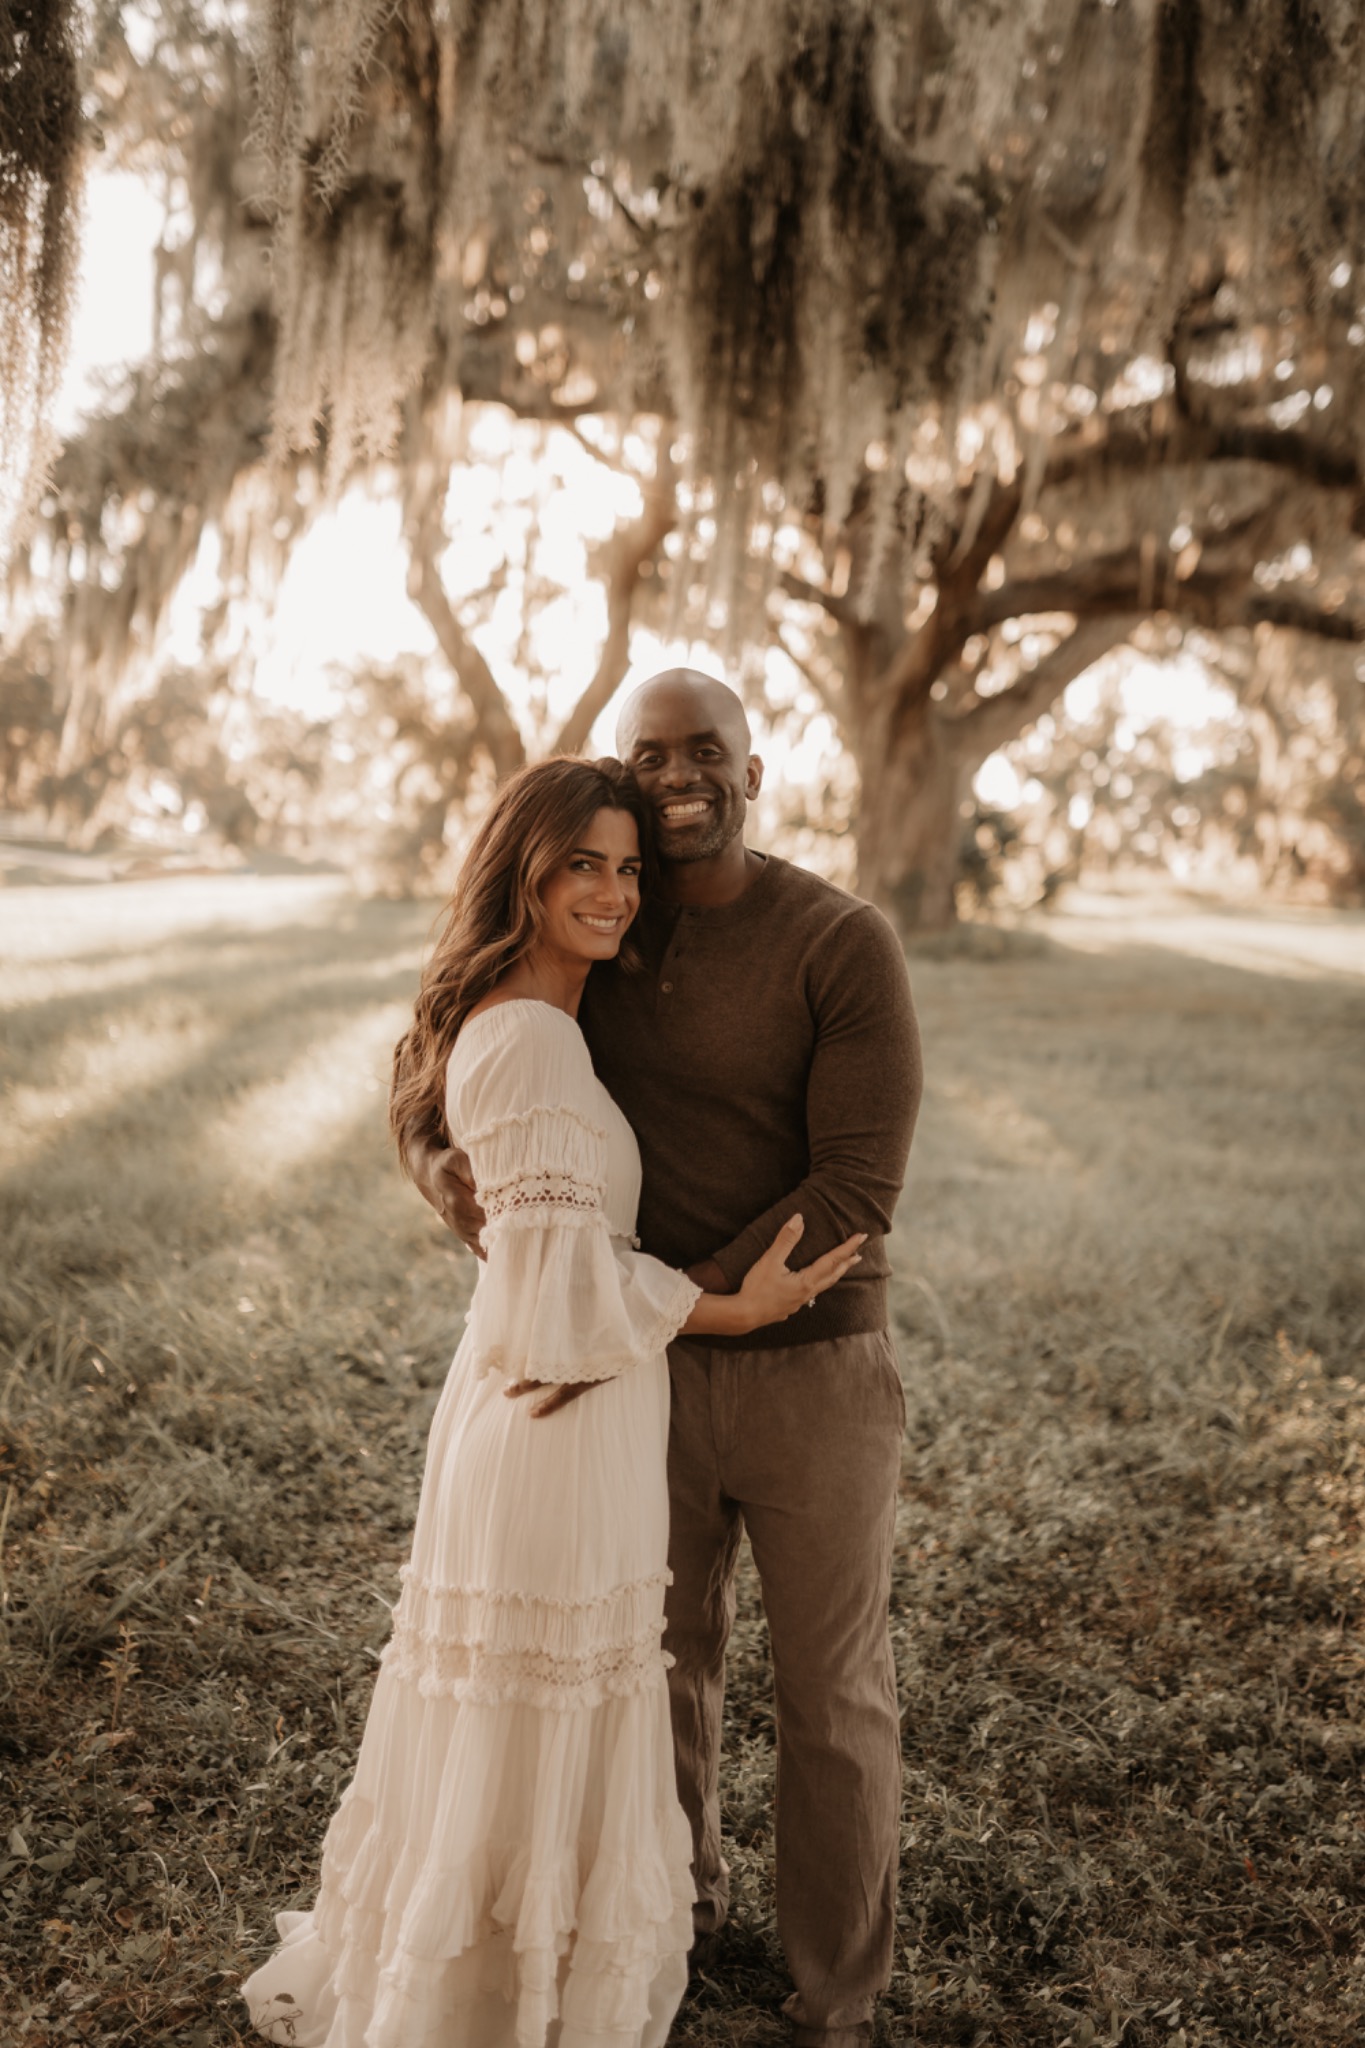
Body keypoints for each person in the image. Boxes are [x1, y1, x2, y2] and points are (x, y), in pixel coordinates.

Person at [241, 755, 864, 2048]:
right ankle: (499, 1999)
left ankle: (515, 1975)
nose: (615, 892)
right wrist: (730, 1307)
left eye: (629, 868)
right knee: (533, 1707)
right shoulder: (526, 1037)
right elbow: (553, 1295)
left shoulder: (550, 1022)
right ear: (519, 870)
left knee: (529, 1713)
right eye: (581, 863)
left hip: (564, 1409)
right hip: (551, 1422)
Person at [417, 676, 922, 2048]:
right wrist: (441, 1178)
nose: (682, 773)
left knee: (830, 1694)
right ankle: (674, 1924)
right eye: (654, 756)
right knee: (656, 1670)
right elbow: (454, 1065)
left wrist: (657, 1309)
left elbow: (857, 1181)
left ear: (755, 765)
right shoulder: (605, 937)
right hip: (640, 1373)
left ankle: (838, 1995)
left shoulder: (838, 939)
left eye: (708, 750)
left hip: (808, 1367)